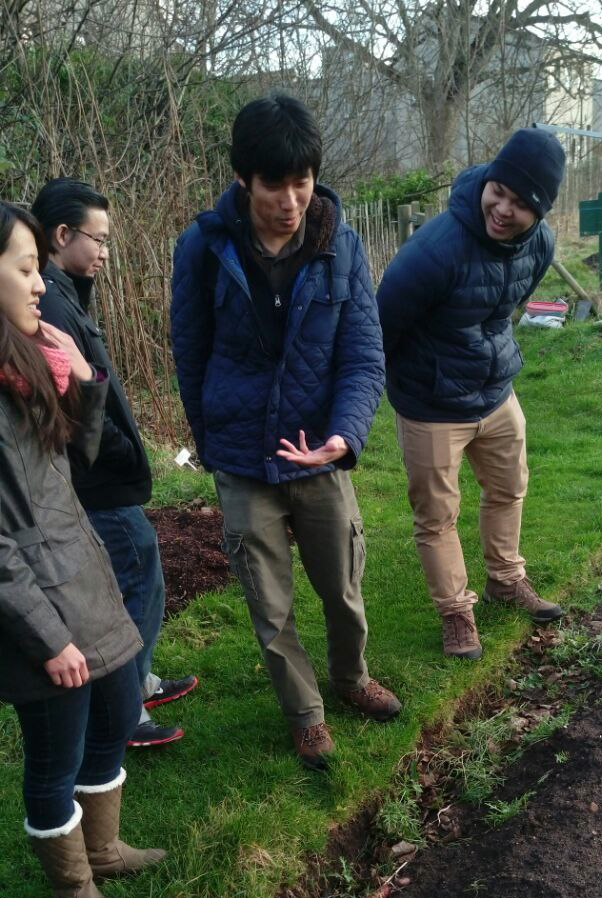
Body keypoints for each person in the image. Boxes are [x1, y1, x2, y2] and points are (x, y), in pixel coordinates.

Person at [171, 95, 401, 770]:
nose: (292, 200)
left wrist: (344, 437)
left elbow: (364, 354)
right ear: (244, 178)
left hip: (321, 454)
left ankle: (352, 678)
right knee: (269, 606)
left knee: (344, 588)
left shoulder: (341, 247)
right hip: (243, 458)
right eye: (276, 184)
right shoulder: (204, 248)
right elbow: (191, 351)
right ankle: (305, 714)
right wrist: (211, 442)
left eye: (302, 181)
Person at [0, 202, 166, 898]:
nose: (39, 285)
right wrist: (47, 638)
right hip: (35, 606)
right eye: (25, 269)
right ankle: (72, 889)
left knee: (118, 704)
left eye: (39, 268)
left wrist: (75, 379)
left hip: (82, 570)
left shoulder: (23, 360)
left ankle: (102, 845)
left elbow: (76, 462)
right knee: (54, 750)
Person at [377, 128, 567, 660]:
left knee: (509, 488)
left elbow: (504, 308)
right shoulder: (433, 251)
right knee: (437, 516)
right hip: (432, 406)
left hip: (495, 393)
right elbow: (381, 328)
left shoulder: (542, 244)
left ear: (541, 211)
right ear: (487, 179)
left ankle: (507, 579)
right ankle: (457, 612)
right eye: (498, 191)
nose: (503, 209)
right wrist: (416, 381)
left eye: (521, 203)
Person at [30, 179, 198, 748]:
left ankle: (137, 682)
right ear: (61, 234)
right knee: (135, 576)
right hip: (96, 483)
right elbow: (73, 409)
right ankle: (125, 709)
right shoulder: (50, 302)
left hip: (104, 476)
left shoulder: (65, 291)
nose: (104, 251)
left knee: (138, 571)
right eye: (96, 239)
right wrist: (124, 452)